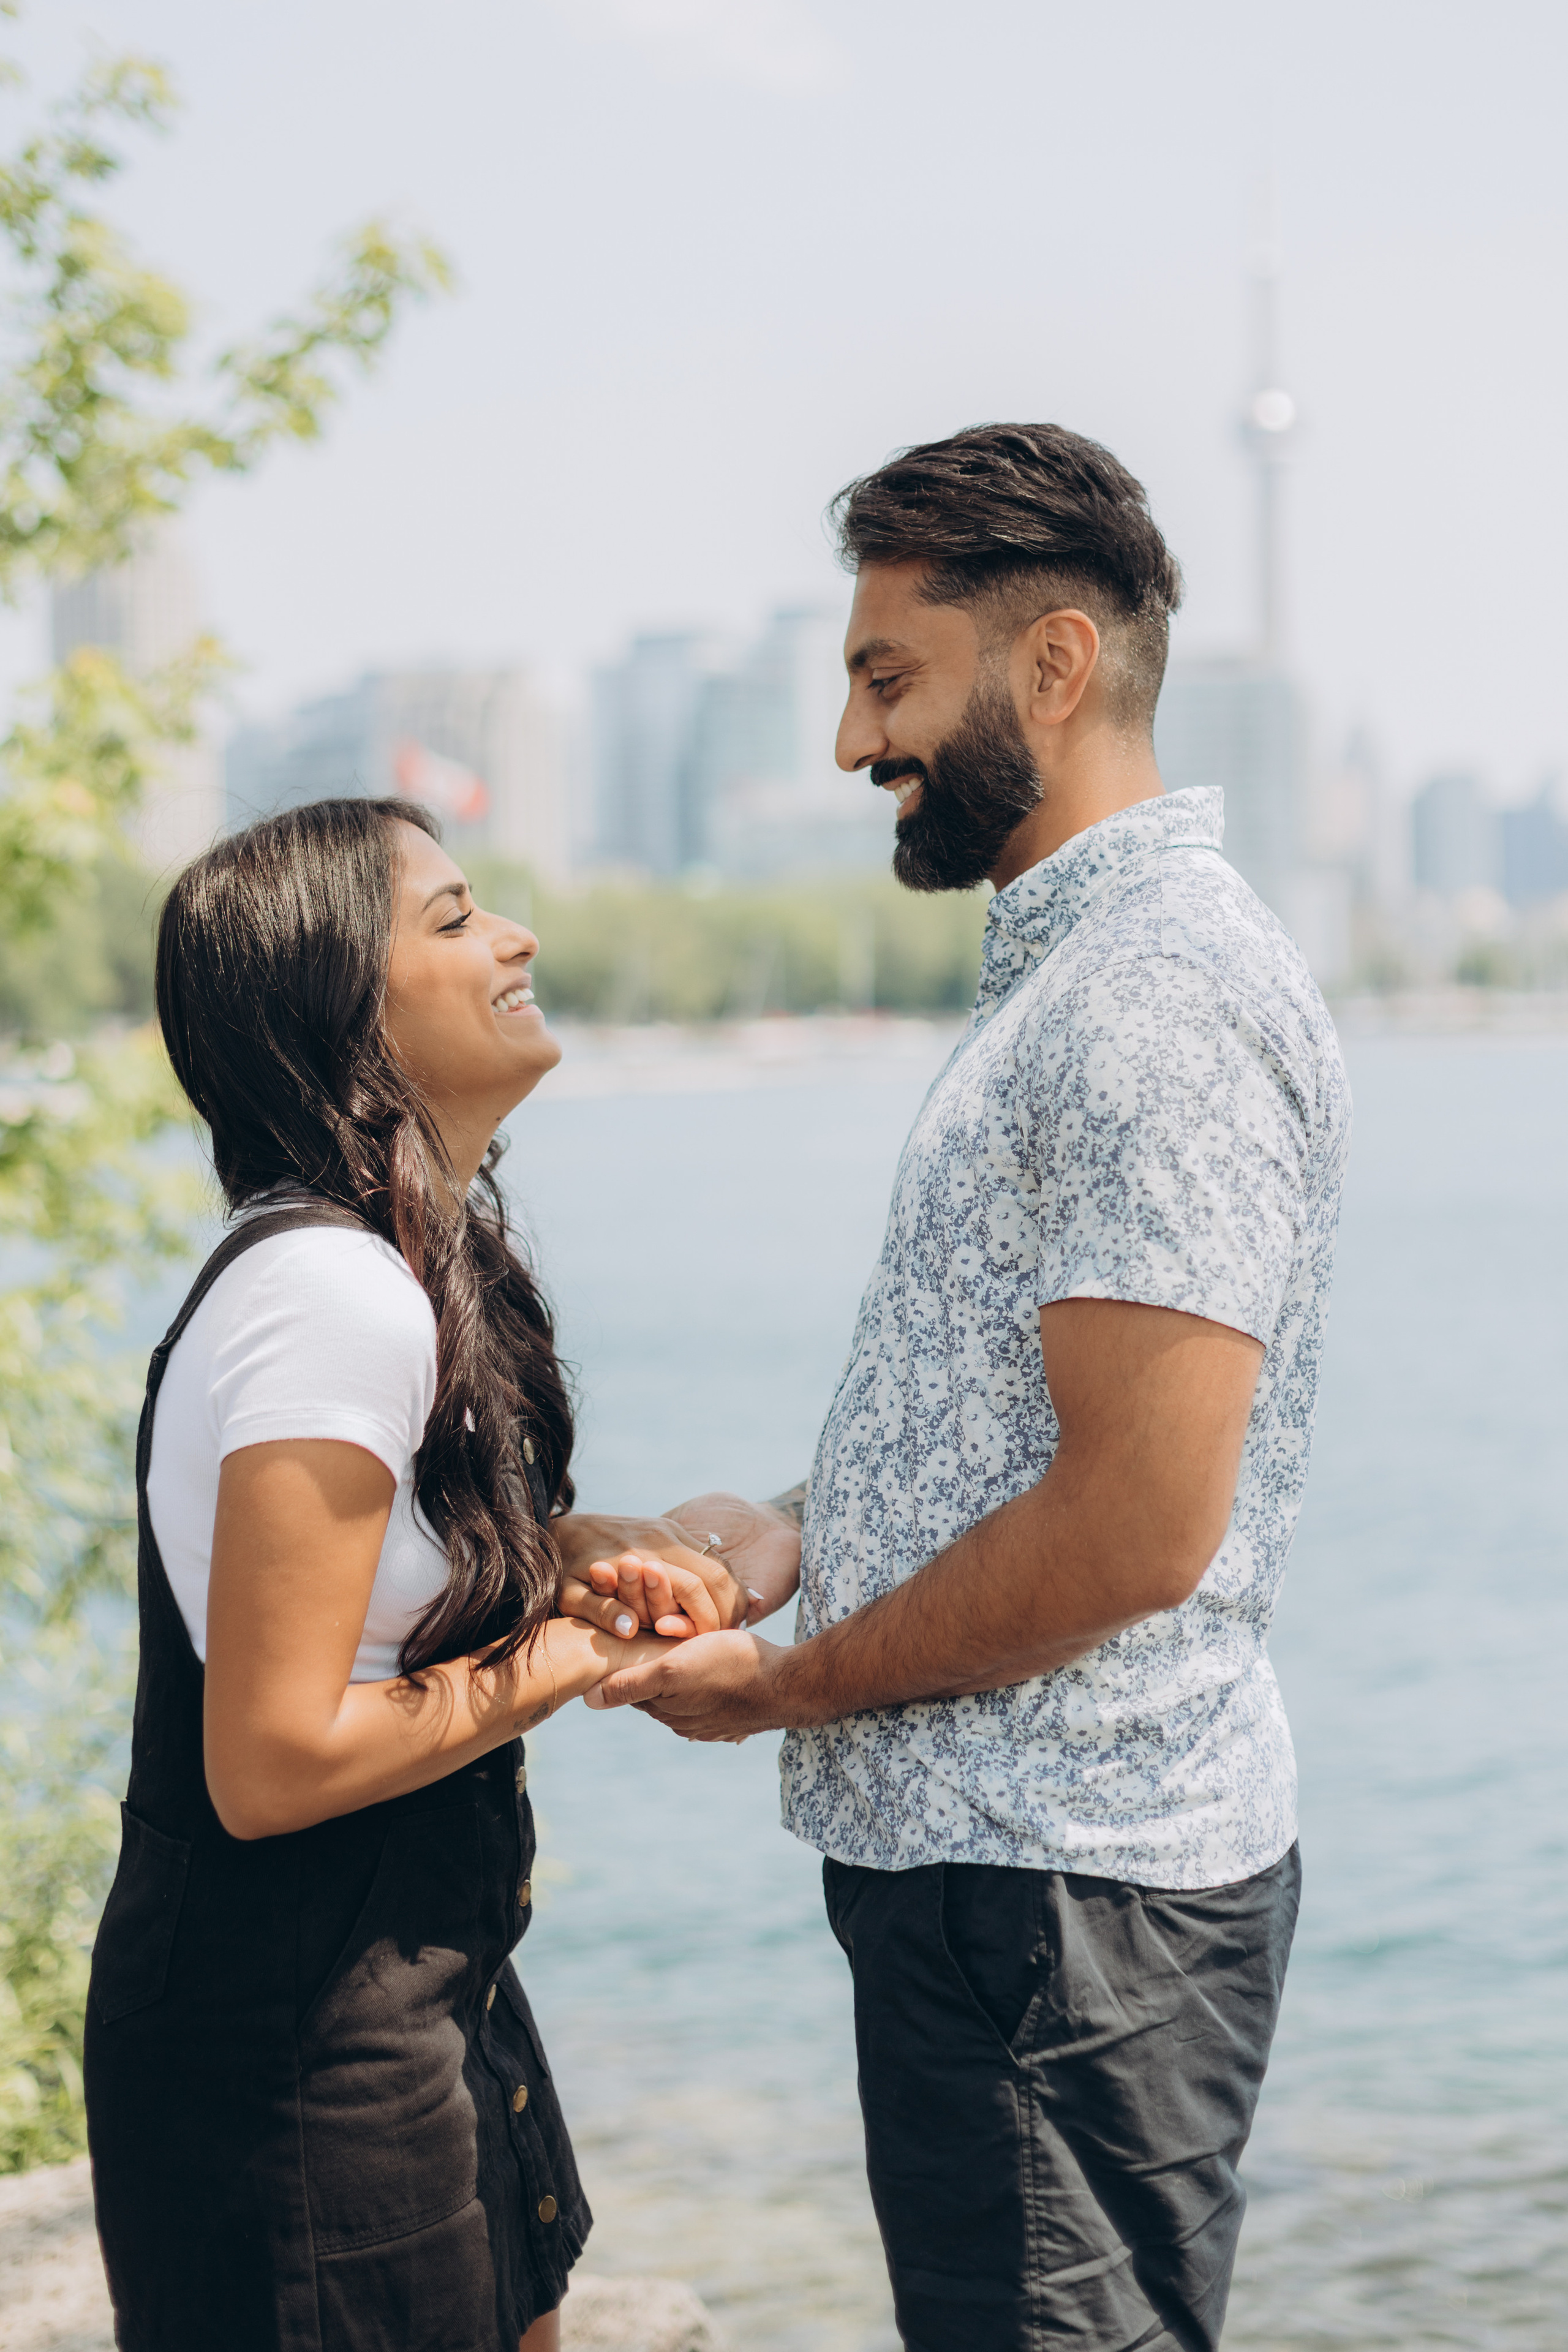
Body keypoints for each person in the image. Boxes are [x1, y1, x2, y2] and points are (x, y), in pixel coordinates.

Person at [569, 423, 1353, 2352]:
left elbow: (1136, 1524)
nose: (853, 743)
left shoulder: (1153, 995)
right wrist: (790, 1537)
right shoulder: (1077, 977)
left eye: (887, 678)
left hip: (1059, 1904)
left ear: (1055, 666)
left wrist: (794, 1684)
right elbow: (1030, 1430)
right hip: (1019, 1895)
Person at [83, 797, 741, 2352]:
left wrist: (577, 1553)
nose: (513, 936)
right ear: (336, 1009)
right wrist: (576, 1656)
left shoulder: (380, 1272)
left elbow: (374, 1585)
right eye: (450, 920)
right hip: (286, 2064)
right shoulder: (330, 1295)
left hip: (417, 2002)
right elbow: (271, 1758)